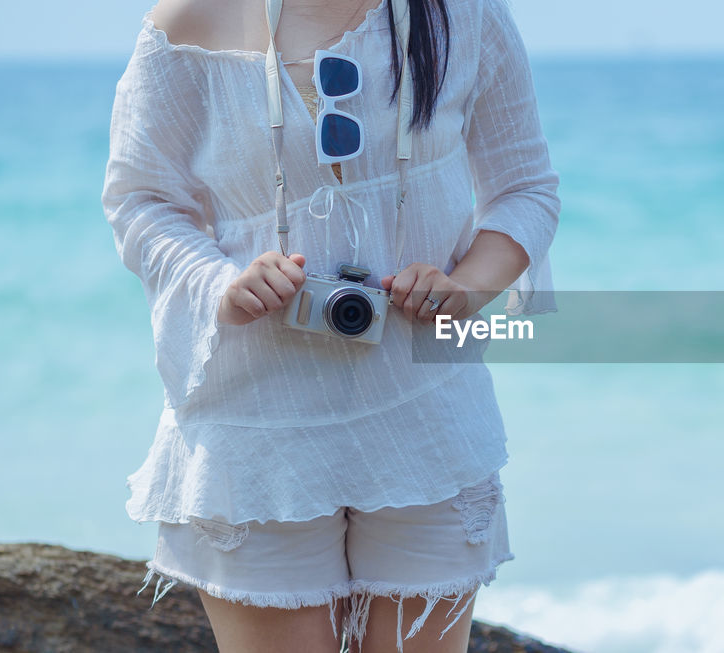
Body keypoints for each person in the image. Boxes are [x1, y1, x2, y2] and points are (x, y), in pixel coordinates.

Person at [100, 0, 559, 650]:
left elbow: (526, 187)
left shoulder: (462, 14)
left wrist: (466, 287)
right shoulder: (191, 20)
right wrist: (220, 284)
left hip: (427, 420)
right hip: (256, 429)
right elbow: (139, 197)